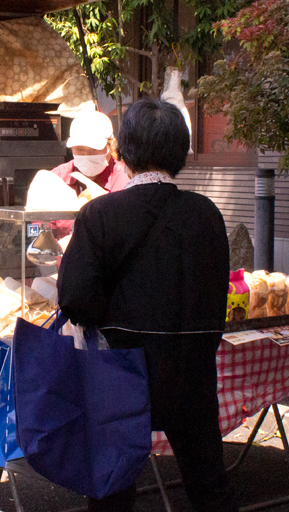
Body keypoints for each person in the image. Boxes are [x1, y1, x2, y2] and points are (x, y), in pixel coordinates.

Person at [58, 97, 238, 512]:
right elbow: (215, 294)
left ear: (122, 151)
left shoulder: (99, 215)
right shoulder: (206, 214)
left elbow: (76, 301)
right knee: (209, 486)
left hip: (119, 374)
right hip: (191, 372)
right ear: (180, 154)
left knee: (112, 491)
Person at [50, 109, 130, 238]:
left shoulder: (127, 180)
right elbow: (41, 232)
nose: (86, 155)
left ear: (111, 146)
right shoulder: (57, 179)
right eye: (80, 149)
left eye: (94, 149)